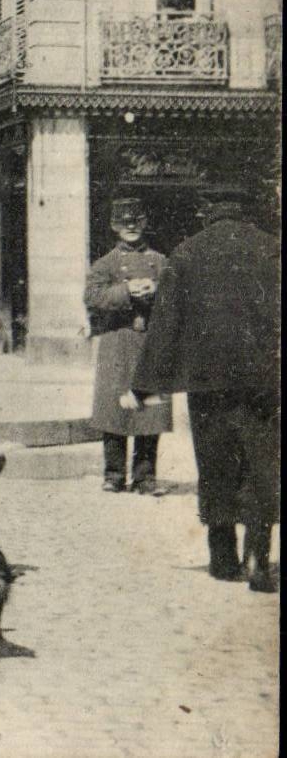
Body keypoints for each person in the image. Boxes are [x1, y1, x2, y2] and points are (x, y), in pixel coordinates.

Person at [129, 186, 279, 592]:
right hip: (262, 381)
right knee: (260, 465)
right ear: (245, 211)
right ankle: (260, 560)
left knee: (215, 466)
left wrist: (145, 384)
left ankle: (224, 560)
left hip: (207, 382)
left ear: (207, 211)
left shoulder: (187, 254)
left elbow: (166, 326)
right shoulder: (271, 250)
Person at [83, 197, 171, 494]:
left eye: (136, 223)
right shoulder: (105, 263)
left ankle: (146, 477)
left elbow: (177, 299)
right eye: (124, 224)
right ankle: (114, 474)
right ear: (114, 227)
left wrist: (156, 290)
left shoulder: (160, 262)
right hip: (116, 342)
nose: (131, 228)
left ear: (145, 224)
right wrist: (126, 291)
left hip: (149, 342)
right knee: (114, 409)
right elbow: (92, 298)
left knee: (149, 409)